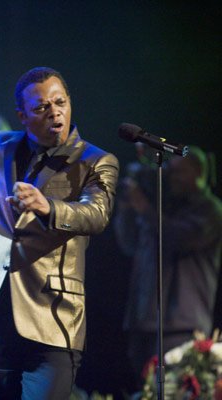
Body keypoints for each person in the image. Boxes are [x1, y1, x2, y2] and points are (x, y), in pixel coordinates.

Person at [0, 66, 119, 399]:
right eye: (41, 107)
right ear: (22, 115)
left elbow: (97, 214)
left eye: (60, 102)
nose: (54, 112)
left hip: (52, 318)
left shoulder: (95, 161)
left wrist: (48, 207)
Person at [114, 146, 222, 389]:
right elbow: (128, 243)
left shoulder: (210, 209)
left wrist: (144, 208)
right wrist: (127, 208)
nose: (171, 178)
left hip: (181, 325)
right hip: (142, 320)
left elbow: (179, 238)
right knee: (146, 392)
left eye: (178, 172)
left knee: (175, 391)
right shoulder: (161, 209)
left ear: (199, 173)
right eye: (169, 172)